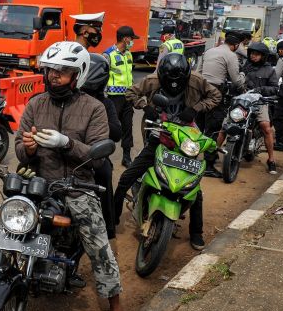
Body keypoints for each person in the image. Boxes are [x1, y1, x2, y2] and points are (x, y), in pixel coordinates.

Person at [15, 41, 126, 311]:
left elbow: (98, 155)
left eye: (62, 71)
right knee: (7, 230)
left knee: (99, 246)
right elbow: (18, 146)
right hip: (41, 184)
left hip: (78, 186)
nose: (54, 76)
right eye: (50, 70)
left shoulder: (95, 108)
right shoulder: (35, 103)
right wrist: (26, 148)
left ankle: (115, 303)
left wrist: (67, 144)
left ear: (78, 74)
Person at [116, 53, 221, 250]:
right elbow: (130, 92)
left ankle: (196, 232)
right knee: (127, 177)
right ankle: (111, 219)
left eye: (179, 82)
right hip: (158, 133)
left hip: (186, 138)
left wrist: (196, 108)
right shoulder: (151, 80)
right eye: (169, 81)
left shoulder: (197, 80)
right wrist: (146, 107)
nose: (174, 85)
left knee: (193, 188)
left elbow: (216, 95)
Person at [217, 42, 279, 174]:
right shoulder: (244, 68)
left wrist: (260, 90)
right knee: (225, 126)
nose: (253, 56)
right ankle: (212, 154)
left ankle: (271, 160)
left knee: (266, 128)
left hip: (260, 102)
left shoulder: (270, 70)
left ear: (263, 56)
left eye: (256, 54)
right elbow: (235, 81)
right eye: (251, 54)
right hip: (241, 103)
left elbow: (274, 88)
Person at [81, 53, 122, 239]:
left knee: (104, 173)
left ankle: (107, 226)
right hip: (66, 152)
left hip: (93, 156)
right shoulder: (69, 98)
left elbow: (116, 133)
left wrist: (99, 121)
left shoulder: (105, 103)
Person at [197, 33, 245, 178]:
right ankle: (209, 166)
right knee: (213, 128)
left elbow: (198, 72)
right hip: (215, 92)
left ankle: (196, 156)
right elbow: (236, 80)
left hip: (200, 90)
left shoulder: (209, 51)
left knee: (200, 124)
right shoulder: (231, 56)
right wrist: (243, 76)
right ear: (235, 46)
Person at [104, 26, 139, 167]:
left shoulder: (129, 54)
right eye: (131, 39)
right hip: (113, 98)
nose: (132, 41)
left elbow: (129, 76)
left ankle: (126, 157)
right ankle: (104, 157)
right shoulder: (108, 54)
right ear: (125, 39)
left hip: (127, 97)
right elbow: (103, 76)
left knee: (127, 126)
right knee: (110, 128)